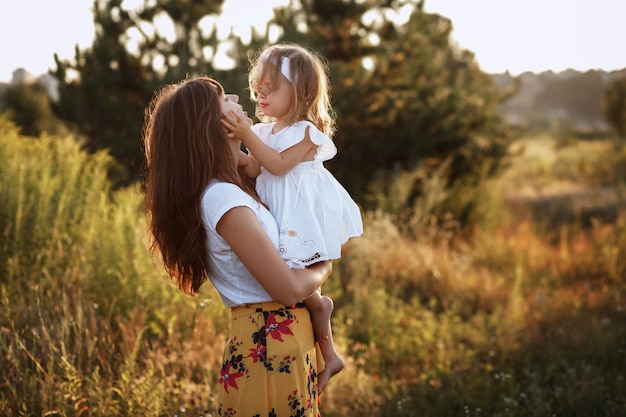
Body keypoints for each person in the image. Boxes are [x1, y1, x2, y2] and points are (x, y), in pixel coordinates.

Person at [142, 76, 333, 416]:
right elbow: (288, 289)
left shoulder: (240, 184)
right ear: (212, 126)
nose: (235, 97)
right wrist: (324, 267)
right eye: (223, 100)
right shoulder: (223, 199)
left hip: (283, 341)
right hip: (266, 346)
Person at [221, 43, 363, 392]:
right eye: (259, 88)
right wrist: (228, 147)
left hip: (299, 215)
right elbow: (255, 166)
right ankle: (327, 341)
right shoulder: (266, 132)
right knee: (296, 283)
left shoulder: (305, 133)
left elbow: (279, 165)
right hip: (275, 213)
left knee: (294, 274)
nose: (261, 95)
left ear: (299, 92)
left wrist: (246, 135)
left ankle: (327, 340)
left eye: (272, 88)